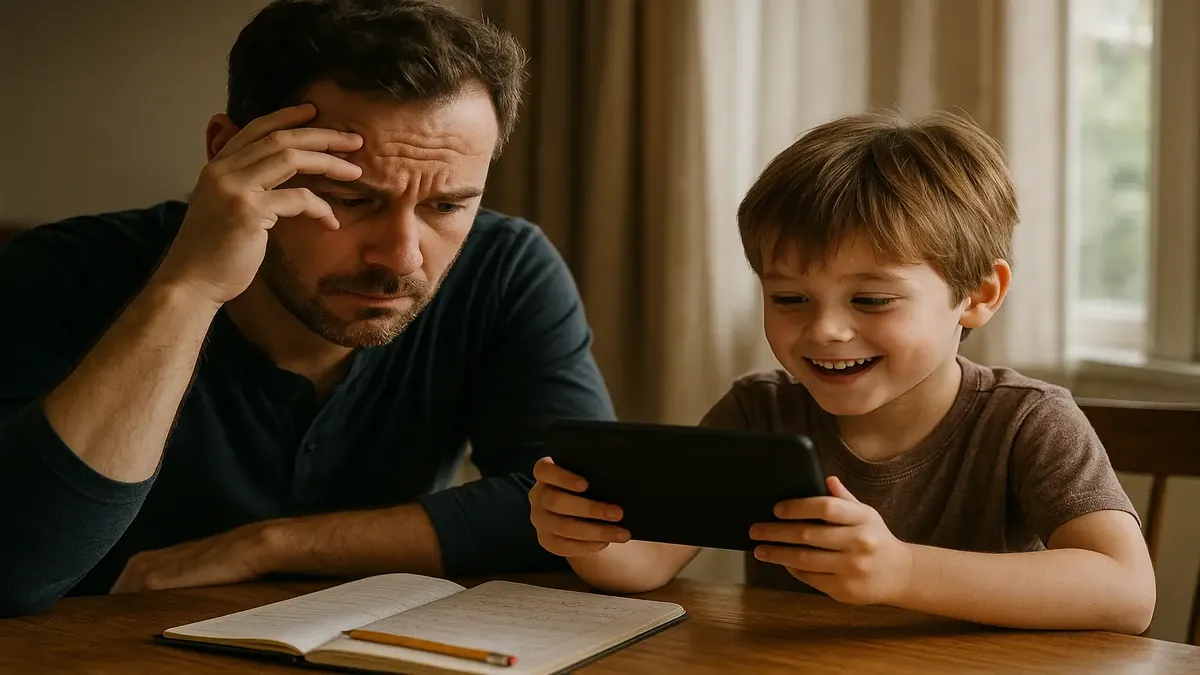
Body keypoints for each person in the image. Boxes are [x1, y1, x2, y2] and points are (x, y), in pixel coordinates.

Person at [0, 0, 615, 617]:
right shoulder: (62, 274)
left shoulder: (504, 269)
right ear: (229, 154)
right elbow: (15, 569)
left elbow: (583, 510)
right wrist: (187, 290)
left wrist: (269, 546)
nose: (402, 257)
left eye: (447, 207)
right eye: (350, 198)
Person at [529, 111, 1157, 634]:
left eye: (872, 299)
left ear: (978, 294)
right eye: (790, 299)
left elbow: (1127, 591)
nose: (825, 330)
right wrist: (587, 537)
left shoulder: (1027, 419)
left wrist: (902, 572)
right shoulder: (759, 411)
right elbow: (646, 564)